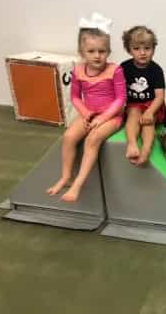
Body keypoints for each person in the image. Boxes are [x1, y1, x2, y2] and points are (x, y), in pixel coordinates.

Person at [46, 13, 127, 201]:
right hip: (88, 114)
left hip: (111, 116)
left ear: (108, 51)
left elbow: (121, 99)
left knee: (93, 139)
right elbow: (75, 96)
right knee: (68, 137)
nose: (97, 56)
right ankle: (66, 176)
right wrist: (86, 114)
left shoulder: (115, 70)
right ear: (82, 52)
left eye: (102, 51)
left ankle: (77, 185)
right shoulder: (78, 70)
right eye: (91, 51)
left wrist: (102, 118)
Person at [121, 26, 166, 165]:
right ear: (129, 50)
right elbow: (118, 91)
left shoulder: (156, 70)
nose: (142, 53)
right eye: (136, 49)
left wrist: (150, 112)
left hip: (152, 105)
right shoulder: (124, 67)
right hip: (133, 105)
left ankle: (146, 150)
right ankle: (132, 144)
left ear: (154, 49)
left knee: (148, 120)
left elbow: (159, 97)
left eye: (147, 48)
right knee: (134, 113)